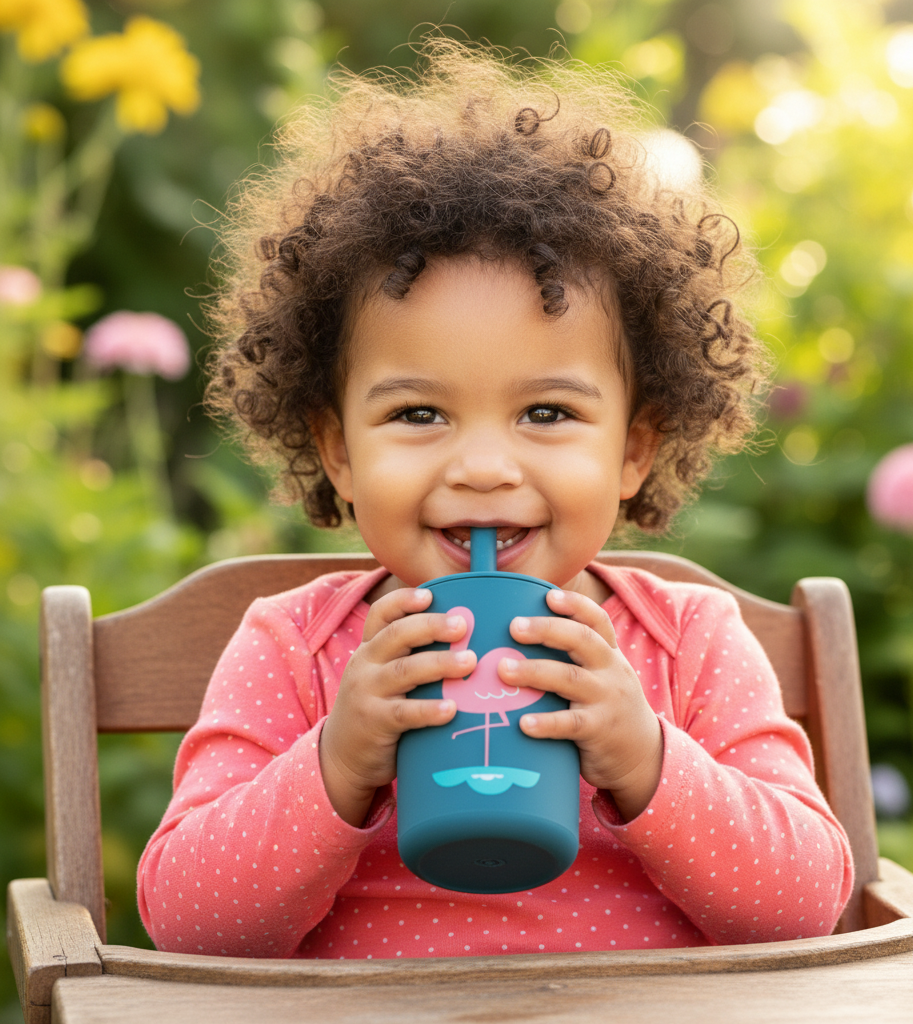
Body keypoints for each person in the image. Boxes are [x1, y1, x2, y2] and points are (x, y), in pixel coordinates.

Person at [138, 40, 853, 959]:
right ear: (338, 451)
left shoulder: (687, 647)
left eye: (546, 413)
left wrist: (646, 758)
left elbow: (807, 904)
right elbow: (187, 921)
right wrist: (337, 761)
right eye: (419, 413)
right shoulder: (297, 652)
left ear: (633, 449)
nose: (482, 467)